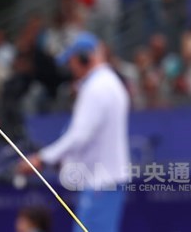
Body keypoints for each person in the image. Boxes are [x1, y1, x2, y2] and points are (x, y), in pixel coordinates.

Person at [18, 32, 130, 232]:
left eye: (72, 61)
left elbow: (80, 135)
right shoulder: (108, 83)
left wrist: (42, 159)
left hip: (101, 184)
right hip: (104, 182)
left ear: (85, 58)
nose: (70, 68)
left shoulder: (97, 88)